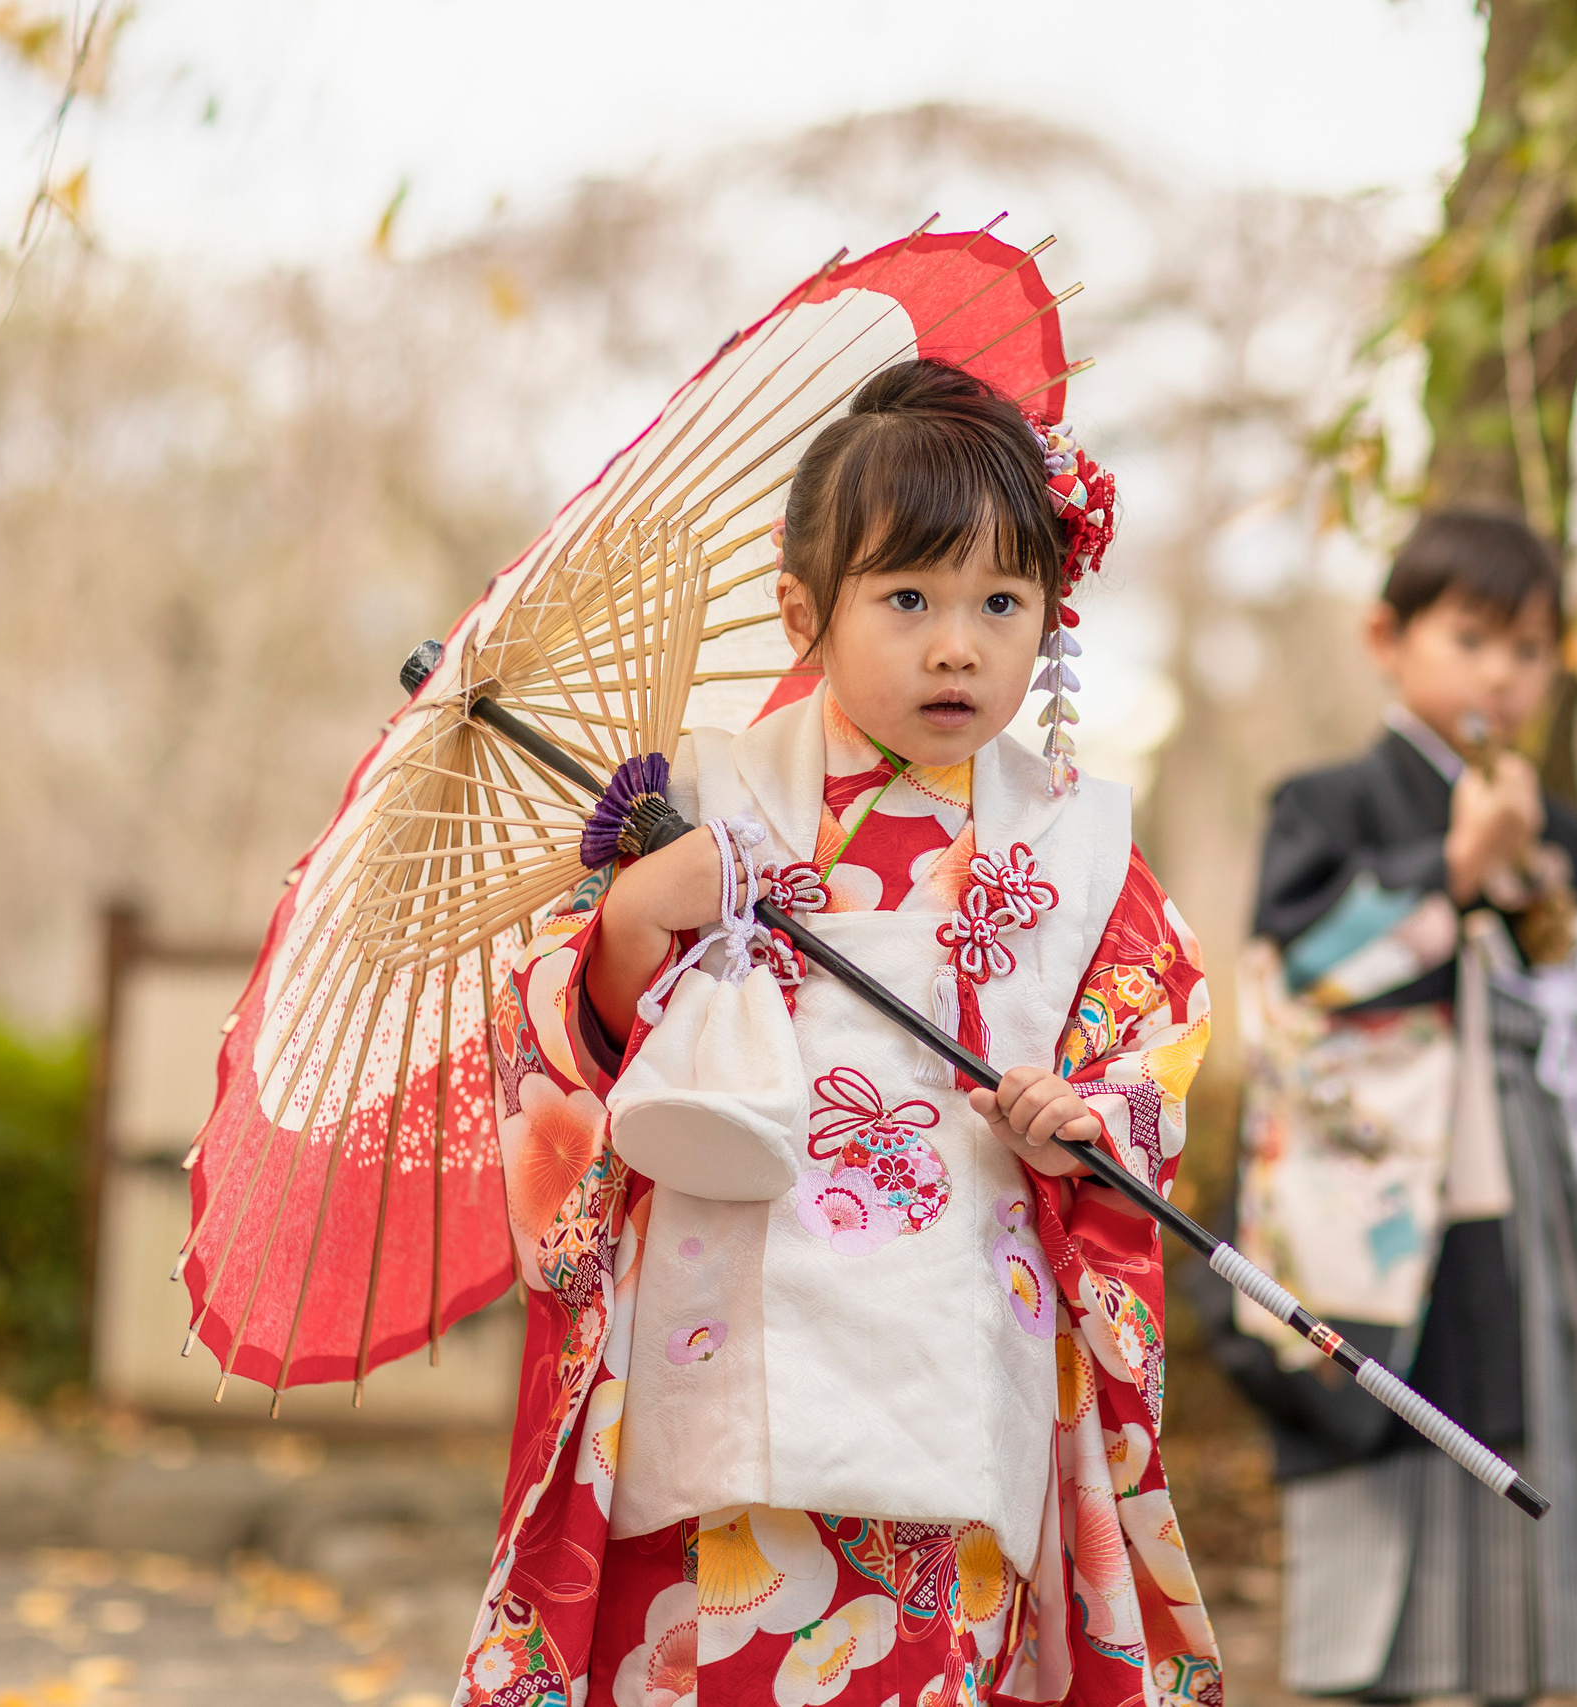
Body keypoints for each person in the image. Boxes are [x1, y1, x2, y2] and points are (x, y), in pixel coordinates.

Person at [455, 359, 1221, 1707]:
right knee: (712, 1640)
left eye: (1001, 602)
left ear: (1052, 618)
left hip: (953, 1346)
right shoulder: (704, 798)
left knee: (925, 1651)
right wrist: (632, 919)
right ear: (804, 611)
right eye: (908, 597)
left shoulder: (1081, 842)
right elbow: (565, 1050)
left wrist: (1084, 1120)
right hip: (719, 1333)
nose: (957, 645)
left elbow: (1150, 1042)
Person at [1213, 509, 1577, 1704]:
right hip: (1397, 1223)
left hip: (1544, 1209)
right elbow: (1292, 980)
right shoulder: (1328, 803)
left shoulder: (1551, 830)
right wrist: (1454, 872)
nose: (1500, 677)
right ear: (1386, 638)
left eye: (1527, 651)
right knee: (1408, 1467)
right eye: (1469, 640)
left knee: (1535, 1450)